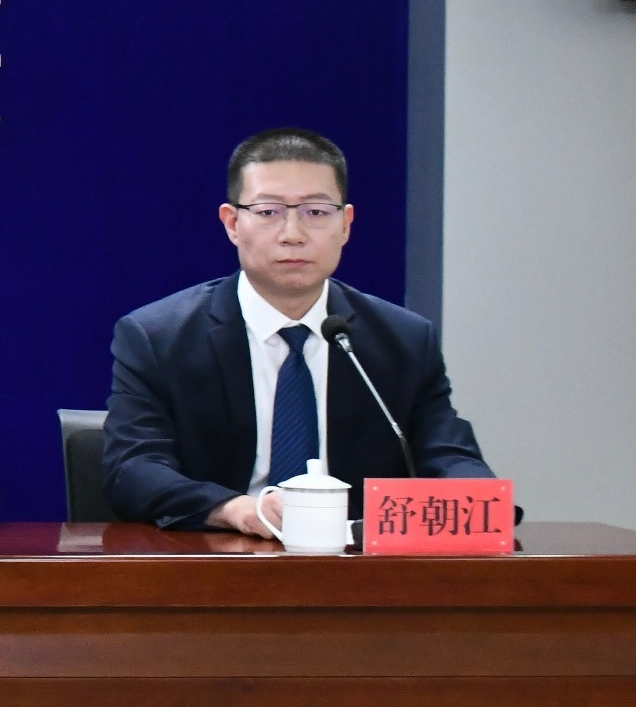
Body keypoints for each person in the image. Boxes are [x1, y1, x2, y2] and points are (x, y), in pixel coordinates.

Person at [103, 126, 494, 534]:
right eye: (268, 212)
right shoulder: (158, 337)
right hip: (219, 554)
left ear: (346, 224)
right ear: (232, 223)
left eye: (316, 213)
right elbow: (132, 468)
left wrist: (483, 503)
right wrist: (237, 510)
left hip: (355, 560)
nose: (293, 234)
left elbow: (448, 454)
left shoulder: (404, 340)